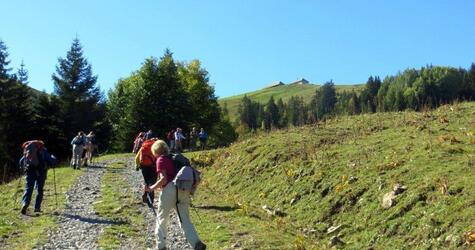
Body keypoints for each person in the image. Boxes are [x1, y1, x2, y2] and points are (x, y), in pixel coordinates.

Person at [145, 140, 206, 250]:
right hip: (183, 189)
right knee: (184, 219)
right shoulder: (174, 158)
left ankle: (161, 246)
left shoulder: (161, 159)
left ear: (155, 151)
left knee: (162, 218)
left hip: (169, 189)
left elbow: (163, 180)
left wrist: (151, 188)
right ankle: (197, 243)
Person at [19, 140, 57, 214]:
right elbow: (51, 161)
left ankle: (25, 204)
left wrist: (22, 168)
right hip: (41, 172)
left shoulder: (27, 150)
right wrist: (54, 158)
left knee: (28, 188)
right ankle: (37, 208)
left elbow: (21, 161)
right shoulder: (43, 150)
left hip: (30, 171)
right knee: (39, 189)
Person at [135, 138, 158, 204]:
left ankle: (146, 194)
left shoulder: (144, 145)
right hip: (153, 166)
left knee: (146, 180)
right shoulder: (157, 146)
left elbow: (137, 158)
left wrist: (137, 166)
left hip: (144, 165)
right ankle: (150, 199)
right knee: (152, 182)